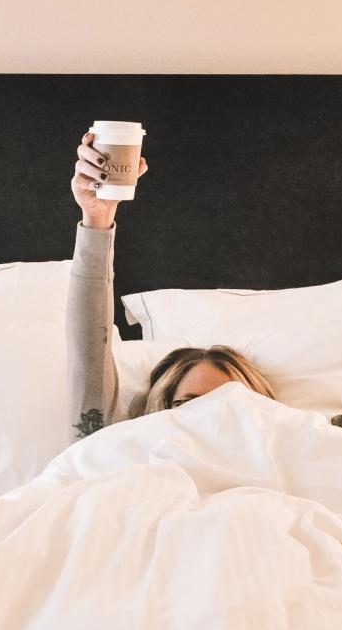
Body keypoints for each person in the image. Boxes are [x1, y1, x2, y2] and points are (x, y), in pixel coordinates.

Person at [68, 131, 276, 439]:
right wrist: (96, 220)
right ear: (158, 411)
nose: (209, 418)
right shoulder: (124, 450)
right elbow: (89, 355)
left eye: (232, 405)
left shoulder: (292, 453)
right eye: (188, 405)